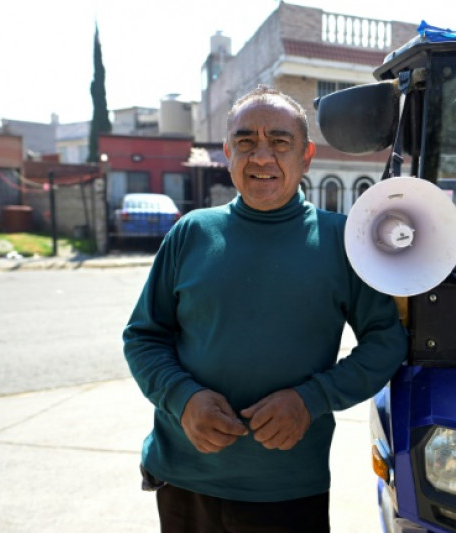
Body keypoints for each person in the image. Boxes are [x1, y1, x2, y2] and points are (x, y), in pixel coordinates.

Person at [123, 85, 408, 532]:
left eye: (279, 142)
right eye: (245, 142)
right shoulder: (192, 233)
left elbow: (387, 342)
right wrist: (183, 398)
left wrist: (311, 399)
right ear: (227, 153)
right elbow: (143, 336)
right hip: (184, 475)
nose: (261, 157)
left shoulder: (341, 240)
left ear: (306, 155)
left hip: (287, 487)